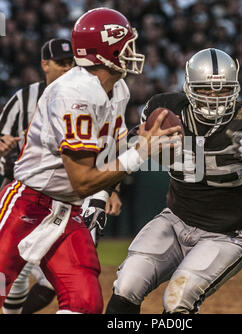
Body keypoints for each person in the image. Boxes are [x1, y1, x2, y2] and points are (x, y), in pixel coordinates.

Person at [0, 7, 181, 314]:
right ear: (105, 50)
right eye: (125, 45)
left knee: (85, 304)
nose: (132, 52)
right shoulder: (76, 94)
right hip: (27, 204)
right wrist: (142, 152)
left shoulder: (117, 89)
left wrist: (140, 140)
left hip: (65, 210)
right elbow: (82, 180)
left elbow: (111, 147)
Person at [105, 48, 242, 314]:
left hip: (226, 235)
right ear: (189, 88)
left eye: (222, 90)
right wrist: (110, 188)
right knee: (127, 284)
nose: (214, 98)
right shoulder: (167, 111)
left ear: (235, 89)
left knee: (178, 300)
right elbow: (126, 145)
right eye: (206, 90)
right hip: (175, 221)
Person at [0, 37, 122, 314]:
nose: (68, 68)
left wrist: (107, 190)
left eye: (72, 62)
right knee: (9, 282)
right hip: (26, 198)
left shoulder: (105, 92)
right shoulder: (26, 98)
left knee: (83, 300)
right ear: (45, 64)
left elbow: (106, 151)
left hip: (68, 206)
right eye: (61, 63)